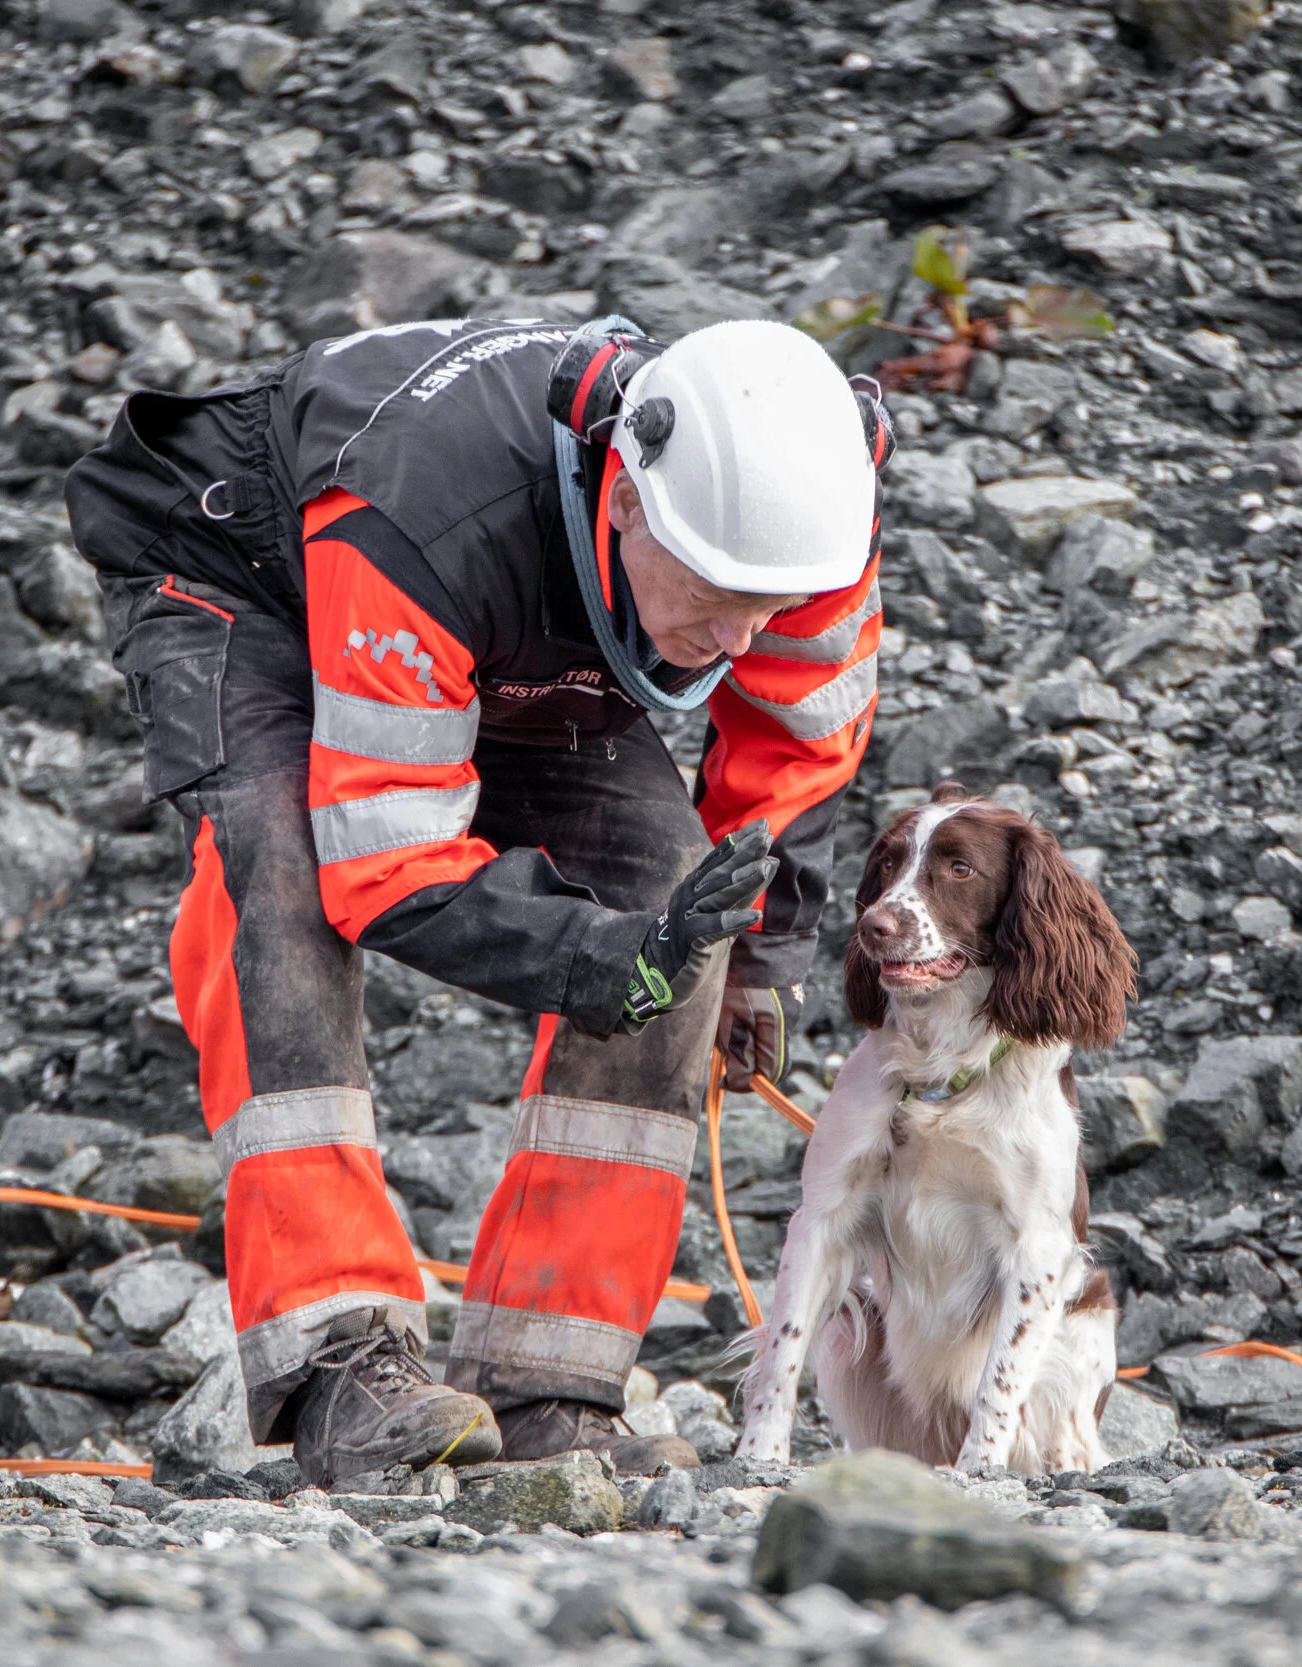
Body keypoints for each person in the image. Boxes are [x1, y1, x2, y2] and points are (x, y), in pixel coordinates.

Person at [64, 313, 888, 1484]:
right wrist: (599, 957)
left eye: (767, 605)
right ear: (626, 500)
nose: (740, 636)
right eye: (714, 599)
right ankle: (339, 1368)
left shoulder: (794, 510)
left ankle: (548, 1389)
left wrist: (753, 955)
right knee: (278, 880)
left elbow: (798, 737)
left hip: (499, 613)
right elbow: (384, 866)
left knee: (676, 905)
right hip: (256, 572)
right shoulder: (423, 512)